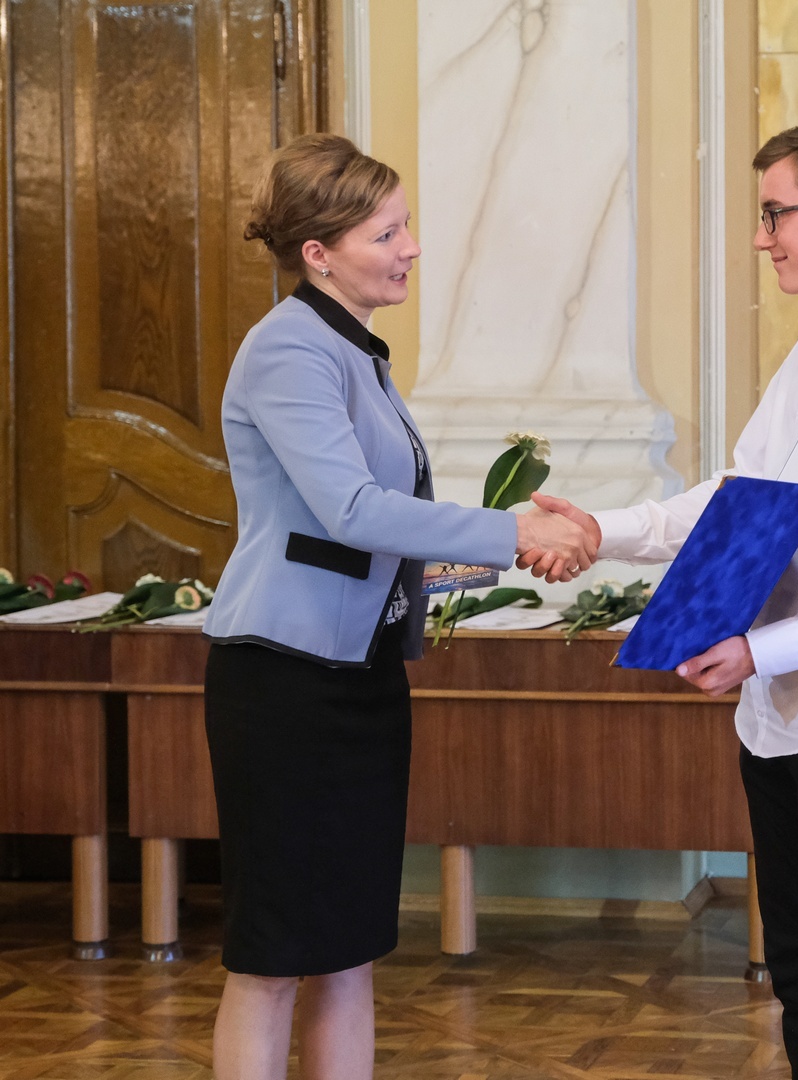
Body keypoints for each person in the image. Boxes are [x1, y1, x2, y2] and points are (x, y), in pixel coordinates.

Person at [537, 115, 798, 1078]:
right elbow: (736, 501)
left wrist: (764, 650)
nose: (762, 237)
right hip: (776, 718)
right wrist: (602, 529)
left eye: (776, 214)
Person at [202, 133, 595, 1079]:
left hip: (360, 679)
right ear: (318, 253)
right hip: (286, 685)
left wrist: (498, 564)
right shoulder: (287, 349)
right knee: (273, 957)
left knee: (348, 946)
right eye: (387, 233)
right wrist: (512, 531)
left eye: (406, 225)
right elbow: (352, 511)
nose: (412, 247)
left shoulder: (354, 350)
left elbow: (366, 546)